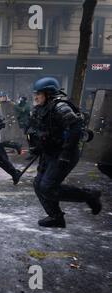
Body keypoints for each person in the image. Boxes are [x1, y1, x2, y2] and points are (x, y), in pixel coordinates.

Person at [28, 77, 102, 228]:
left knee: (48, 187)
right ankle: (56, 217)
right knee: (38, 185)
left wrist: (66, 154)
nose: (36, 97)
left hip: (64, 153)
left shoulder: (60, 106)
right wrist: (36, 144)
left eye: (39, 94)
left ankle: (89, 196)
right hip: (49, 152)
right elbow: (35, 129)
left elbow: (75, 128)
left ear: (49, 94)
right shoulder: (40, 108)